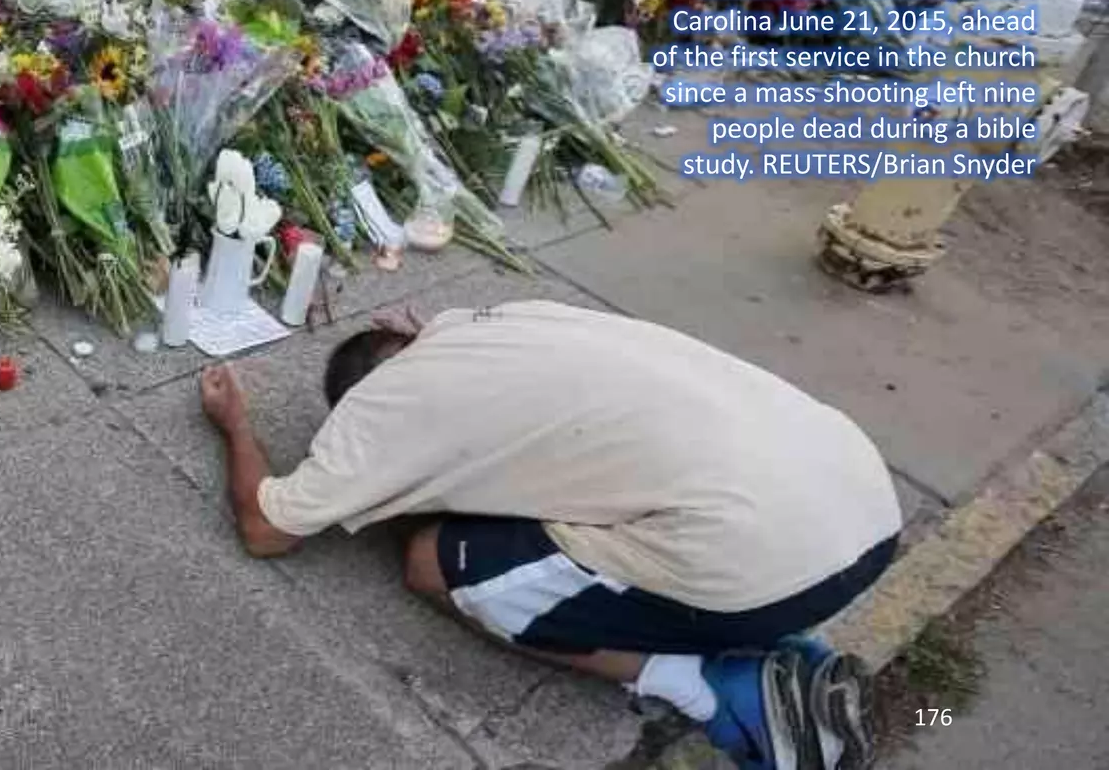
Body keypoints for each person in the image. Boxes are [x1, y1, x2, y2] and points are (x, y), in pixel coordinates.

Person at [199, 300, 901, 770]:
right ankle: (768, 638)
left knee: (428, 562)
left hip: (755, 562)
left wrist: (237, 427)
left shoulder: (380, 407)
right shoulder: (500, 320)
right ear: (407, 334)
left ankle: (715, 687)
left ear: (357, 396)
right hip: (862, 501)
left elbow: (266, 529)